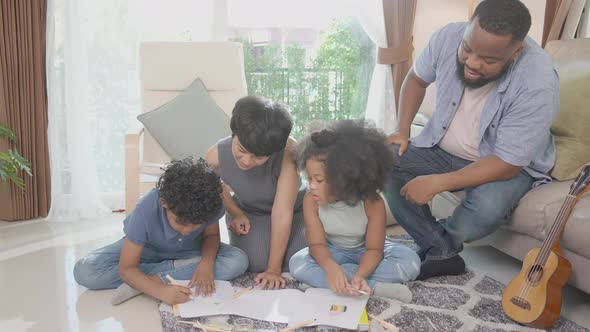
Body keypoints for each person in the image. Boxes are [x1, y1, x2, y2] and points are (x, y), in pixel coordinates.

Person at [385, 0, 559, 280]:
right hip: (440, 148)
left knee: (484, 211)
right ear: (467, 29)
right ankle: (442, 251)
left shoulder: (537, 82)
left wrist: (437, 182)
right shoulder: (447, 36)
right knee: (384, 159)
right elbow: (416, 79)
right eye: (467, 48)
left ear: (516, 51)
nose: (472, 63)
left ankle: (439, 245)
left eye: (488, 60)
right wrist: (402, 130)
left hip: (501, 164)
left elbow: (508, 163)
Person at [73, 158, 248, 305]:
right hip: (146, 250)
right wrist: (160, 291)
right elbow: (127, 268)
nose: (187, 230)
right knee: (85, 271)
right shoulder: (146, 209)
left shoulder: (209, 204)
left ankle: (141, 282)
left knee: (238, 261)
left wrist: (206, 263)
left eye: (195, 225)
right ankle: (173, 270)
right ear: (164, 202)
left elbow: (210, 235)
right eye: (181, 222)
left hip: (190, 250)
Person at [289, 120, 421, 303]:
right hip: (332, 251)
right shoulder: (310, 200)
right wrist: (331, 268)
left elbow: (375, 249)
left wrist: (360, 273)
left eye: (319, 180)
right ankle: (373, 287)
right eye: (309, 178)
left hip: (367, 252)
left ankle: (330, 283)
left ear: (343, 178)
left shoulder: (372, 202)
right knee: (297, 262)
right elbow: (317, 245)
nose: (312, 186)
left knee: (411, 260)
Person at [205, 96, 307, 289]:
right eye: (241, 150)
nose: (246, 161)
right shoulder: (214, 156)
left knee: (299, 259)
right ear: (234, 133)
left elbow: (282, 213)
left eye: (258, 157)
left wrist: (274, 270)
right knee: (254, 262)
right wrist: (235, 212)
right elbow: (210, 184)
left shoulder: (288, 152)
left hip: (294, 212)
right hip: (249, 212)